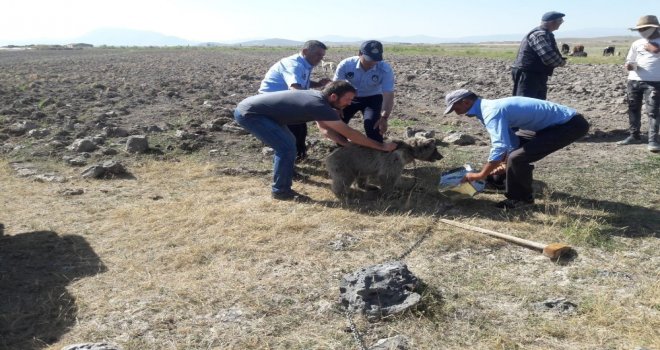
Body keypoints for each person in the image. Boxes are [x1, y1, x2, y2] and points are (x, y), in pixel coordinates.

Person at [235, 81, 397, 201]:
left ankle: (285, 175)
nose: (349, 104)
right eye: (347, 99)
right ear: (333, 96)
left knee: (288, 143)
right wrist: (381, 146)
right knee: (286, 148)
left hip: (257, 111)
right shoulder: (320, 106)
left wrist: (347, 145)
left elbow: (324, 129)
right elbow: (350, 132)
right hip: (251, 114)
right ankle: (281, 191)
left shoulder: (319, 99)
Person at [443, 89, 590, 209]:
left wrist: (480, 174)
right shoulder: (485, 109)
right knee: (514, 151)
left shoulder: (491, 112)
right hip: (549, 125)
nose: (456, 113)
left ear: (466, 102)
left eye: (456, 108)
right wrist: (503, 164)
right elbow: (510, 141)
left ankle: (521, 199)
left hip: (570, 125)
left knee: (517, 158)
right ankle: (497, 181)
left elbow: (499, 146)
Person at [259, 40, 332, 161]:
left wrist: (318, 84)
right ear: (305, 52)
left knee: (301, 127)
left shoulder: (305, 63)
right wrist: (317, 102)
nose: (320, 58)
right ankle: (289, 160)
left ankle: (299, 157)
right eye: (318, 54)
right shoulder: (294, 65)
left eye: (322, 56)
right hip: (273, 102)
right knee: (292, 132)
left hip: (285, 99)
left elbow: (301, 83)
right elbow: (295, 88)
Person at [333, 40, 395, 142]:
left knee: (373, 126)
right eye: (369, 59)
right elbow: (335, 87)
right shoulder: (346, 65)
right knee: (338, 123)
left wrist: (384, 117)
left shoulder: (385, 69)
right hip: (350, 97)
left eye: (376, 59)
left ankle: (376, 152)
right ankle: (343, 148)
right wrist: (336, 107)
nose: (372, 63)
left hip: (373, 98)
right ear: (360, 54)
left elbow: (388, 94)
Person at [617, 15, 660, 152]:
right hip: (634, 80)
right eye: (640, 29)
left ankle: (653, 140)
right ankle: (634, 136)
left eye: (645, 28)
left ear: (654, 28)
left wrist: (657, 51)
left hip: (655, 82)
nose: (642, 31)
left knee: (652, 112)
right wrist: (629, 66)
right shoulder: (637, 43)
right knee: (633, 109)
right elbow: (630, 60)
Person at [511, 11, 567, 100]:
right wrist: (561, 62)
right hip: (528, 73)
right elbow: (548, 56)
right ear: (552, 22)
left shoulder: (546, 34)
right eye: (560, 21)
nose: (561, 23)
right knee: (525, 102)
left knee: (537, 103)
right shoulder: (539, 35)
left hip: (535, 72)